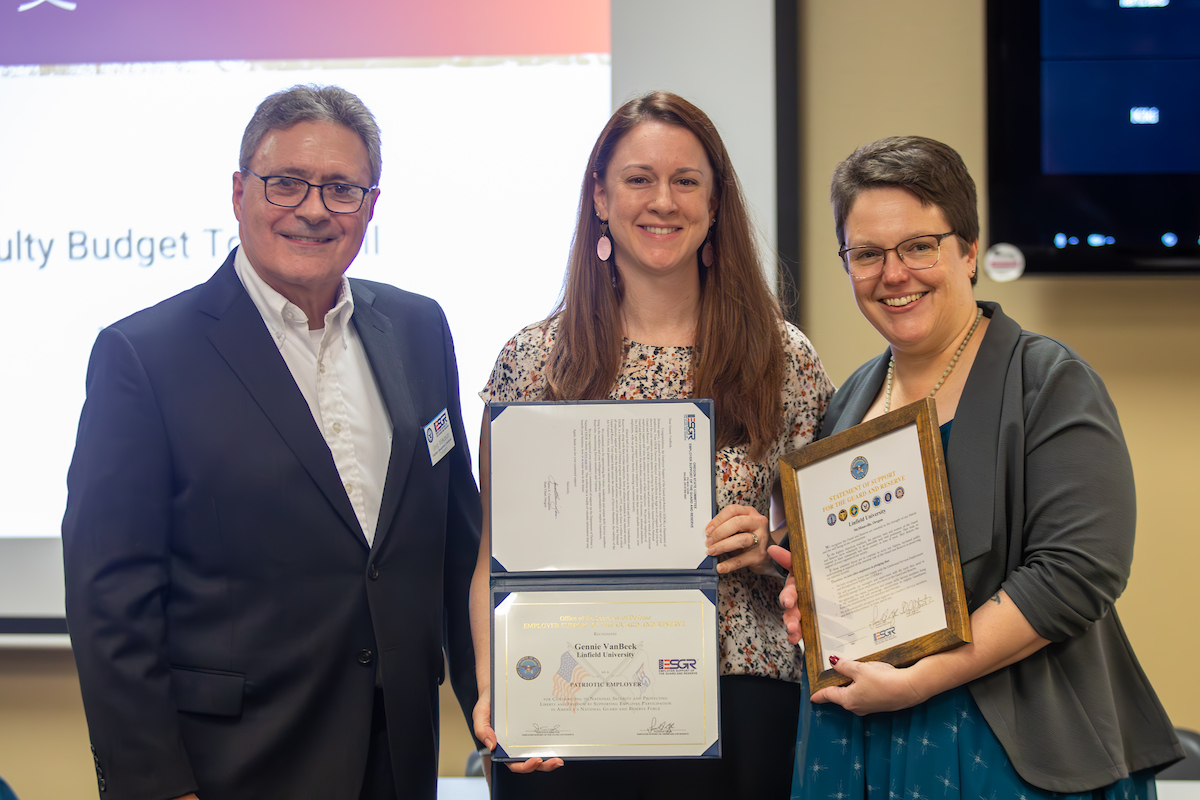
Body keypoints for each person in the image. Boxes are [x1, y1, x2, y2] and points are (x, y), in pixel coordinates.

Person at [62, 85, 481, 800]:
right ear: (238, 193)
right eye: (285, 183)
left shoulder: (417, 328)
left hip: (398, 760)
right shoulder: (144, 356)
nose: (314, 208)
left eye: (341, 189)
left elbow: (456, 547)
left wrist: (502, 711)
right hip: (235, 768)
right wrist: (158, 785)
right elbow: (111, 603)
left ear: (370, 206)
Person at [768, 135, 1182, 799]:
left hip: (1014, 757)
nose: (892, 274)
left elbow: (1078, 574)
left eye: (918, 246)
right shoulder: (847, 402)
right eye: (867, 254)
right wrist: (812, 602)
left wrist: (918, 680)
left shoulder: (1048, 381)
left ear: (966, 251)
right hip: (857, 741)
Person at [468, 91, 833, 798]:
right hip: (565, 703)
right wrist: (498, 697)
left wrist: (770, 545)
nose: (662, 200)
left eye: (686, 181)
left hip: (739, 706)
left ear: (715, 203)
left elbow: (825, 561)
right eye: (639, 179)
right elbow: (491, 558)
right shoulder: (532, 361)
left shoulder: (783, 359)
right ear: (600, 198)